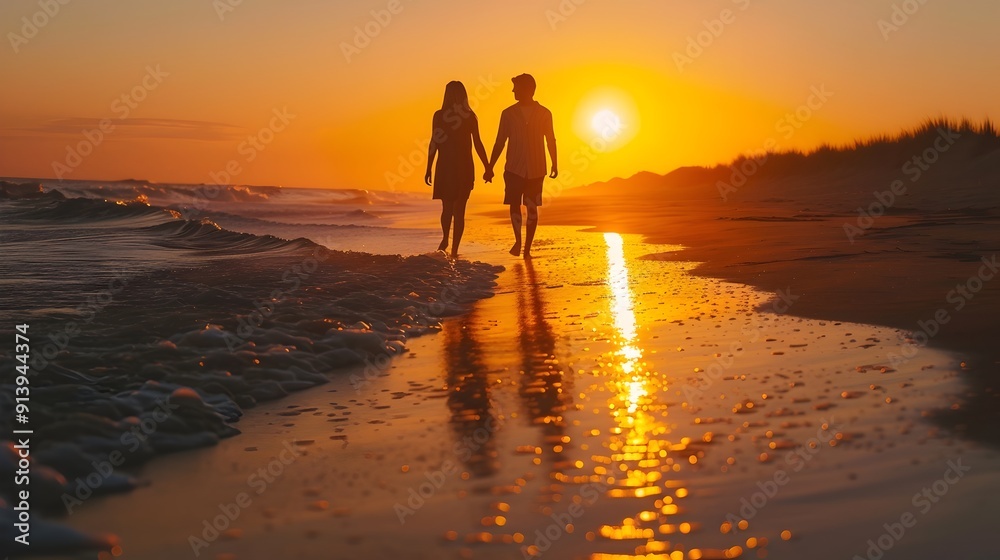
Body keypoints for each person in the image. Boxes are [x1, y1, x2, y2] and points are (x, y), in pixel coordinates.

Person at [484, 74, 557, 258]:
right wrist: (490, 167)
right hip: (513, 168)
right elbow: (499, 142)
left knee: (532, 208)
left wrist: (555, 163)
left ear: (527, 89)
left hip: (536, 167)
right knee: (514, 205)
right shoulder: (508, 114)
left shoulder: (544, 113)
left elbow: (550, 140)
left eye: (516, 87)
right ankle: (518, 240)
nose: (513, 91)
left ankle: (527, 249)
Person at [425, 81, 489, 258]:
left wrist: (429, 167)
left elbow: (434, 142)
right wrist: (487, 166)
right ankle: (454, 249)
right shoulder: (469, 116)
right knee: (458, 210)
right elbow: (478, 144)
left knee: (447, 208)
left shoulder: (440, 116)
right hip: (462, 166)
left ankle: (446, 240)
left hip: (446, 166)